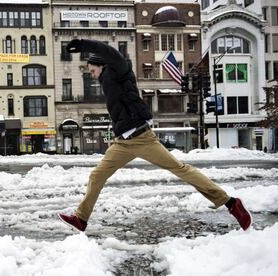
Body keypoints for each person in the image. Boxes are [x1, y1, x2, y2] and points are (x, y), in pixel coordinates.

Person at [58, 39, 252, 232]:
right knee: (97, 175)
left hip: (142, 138)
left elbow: (110, 52)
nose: (92, 75)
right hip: (122, 142)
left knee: (181, 169)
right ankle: (81, 219)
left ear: (102, 64)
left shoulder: (119, 71)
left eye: (92, 70)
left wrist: (84, 45)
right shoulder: (107, 82)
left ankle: (231, 203)